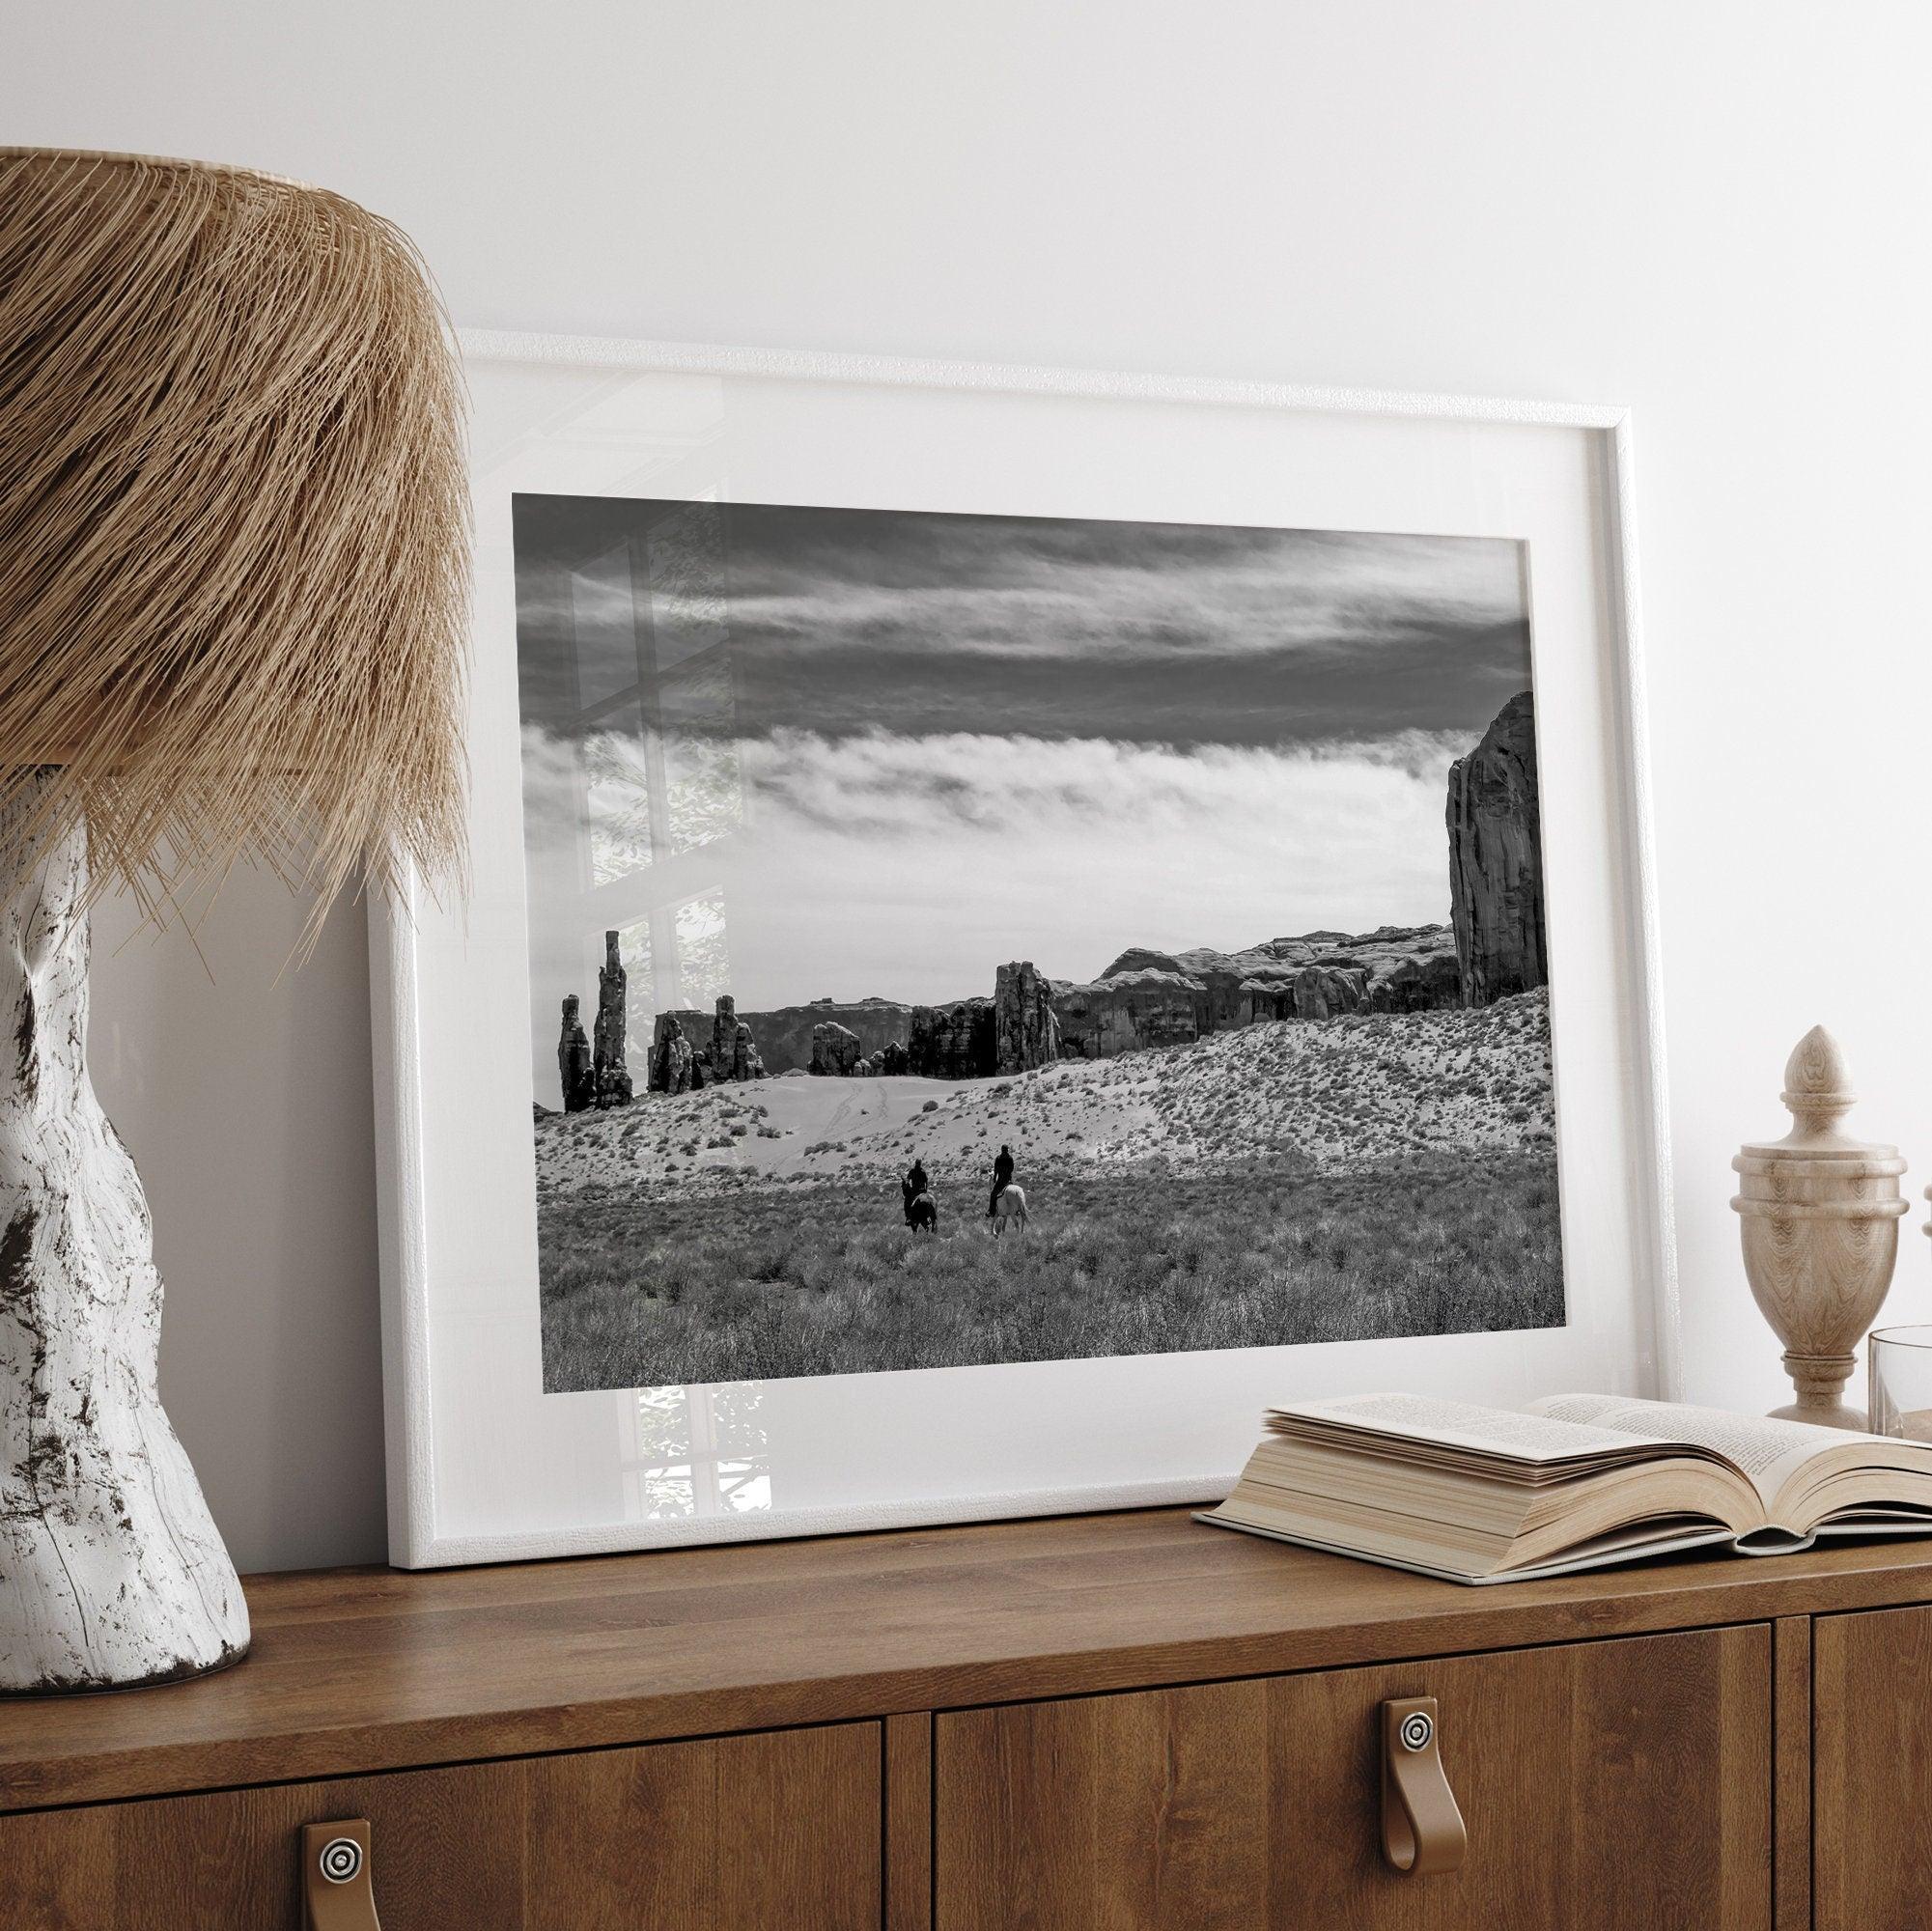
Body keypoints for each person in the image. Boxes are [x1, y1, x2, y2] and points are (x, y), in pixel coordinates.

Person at [988, 1143, 1015, 1217]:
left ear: (1002, 1150)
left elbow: (996, 1170)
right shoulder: (1010, 1158)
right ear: (1007, 1150)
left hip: (1001, 1181)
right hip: (1009, 1179)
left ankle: (991, 1211)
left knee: (993, 1194)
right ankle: (1017, 1210)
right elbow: (1012, 1169)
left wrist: (994, 1178)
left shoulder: (998, 1158)